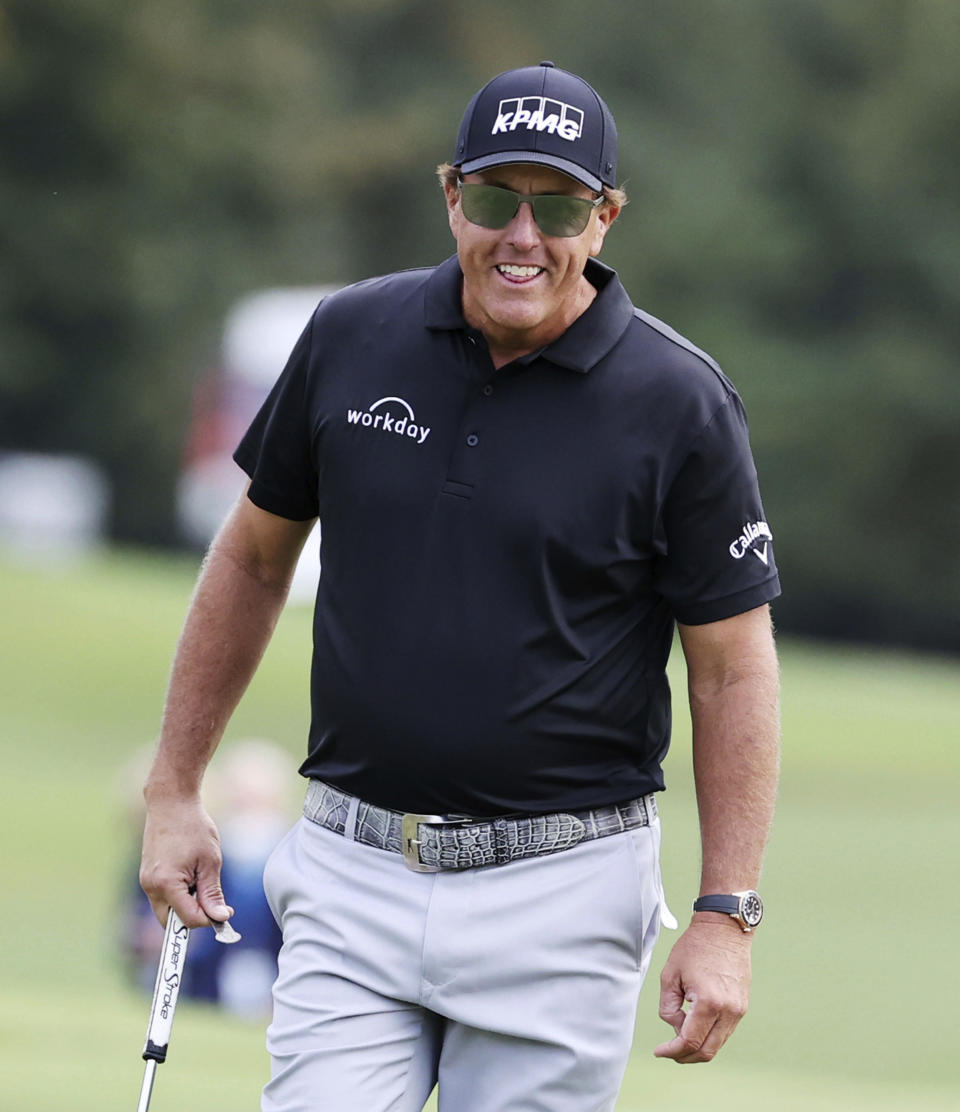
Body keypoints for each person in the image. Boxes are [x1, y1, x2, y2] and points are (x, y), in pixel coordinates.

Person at [140, 61, 781, 1112]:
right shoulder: (353, 336)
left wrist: (726, 910)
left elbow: (731, 671)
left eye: (559, 206)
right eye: (494, 199)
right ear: (452, 196)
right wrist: (174, 786)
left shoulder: (681, 402)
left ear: (605, 218)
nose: (522, 236)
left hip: (562, 892)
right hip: (352, 866)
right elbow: (254, 557)